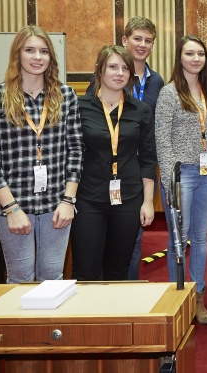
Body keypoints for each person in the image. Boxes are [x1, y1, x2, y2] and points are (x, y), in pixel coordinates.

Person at [0, 25, 82, 284]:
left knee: (52, 278)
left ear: (50, 58)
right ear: (18, 55)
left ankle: (51, 327)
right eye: (30, 50)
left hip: (56, 205)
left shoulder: (65, 95)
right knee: (20, 278)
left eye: (44, 51)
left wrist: (69, 201)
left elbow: (76, 150)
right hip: (14, 204)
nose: (37, 57)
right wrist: (11, 208)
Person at [87, 16, 165, 280]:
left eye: (148, 40)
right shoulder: (96, 91)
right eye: (137, 39)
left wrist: (148, 197)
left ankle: (128, 291)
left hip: (136, 175)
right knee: (95, 251)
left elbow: (154, 134)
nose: (142, 45)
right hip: (98, 179)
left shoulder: (156, 82)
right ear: (124, 40)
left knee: (131, 245)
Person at [72, 45, 157, 281]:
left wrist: (148, 202)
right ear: (99, 70)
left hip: (128, 199)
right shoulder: (80, 108)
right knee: (85, 270)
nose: (119, 73)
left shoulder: (140, 111)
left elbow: (148, 159)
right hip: (88, 199)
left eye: (125, 68)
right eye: (113, 67)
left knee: (118, 270)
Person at [155, 35, 207, 324]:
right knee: (178, 237)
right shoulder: (169, 93)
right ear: (179, 58)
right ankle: (177, 296)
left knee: (202, 237)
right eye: (189, 53)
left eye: (200, 54)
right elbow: (162, 139)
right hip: (181, 175)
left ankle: (198, 295)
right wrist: (169, 181)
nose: (195, 58)